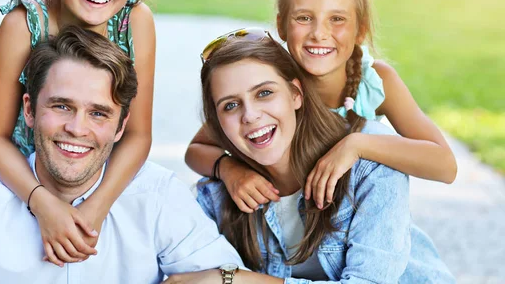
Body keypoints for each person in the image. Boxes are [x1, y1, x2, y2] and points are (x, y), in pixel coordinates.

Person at [0, 27, 244, 283]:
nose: (77, 128)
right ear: (29, 110)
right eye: (62, 106)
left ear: (121, 126)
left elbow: (221, 274)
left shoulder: (156, 197)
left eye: (98, 113)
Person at [165, 33, 454, 283]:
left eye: (264, 93)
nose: (250, 115)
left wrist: (238, 280)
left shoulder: (370, 163)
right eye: (230, 105)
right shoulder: (219, 194)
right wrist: (226, 168)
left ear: (295, 94)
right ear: (217, 122)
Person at [185, 0, 457, 213]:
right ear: (281, 26)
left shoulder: (374, 81)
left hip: (356, 217)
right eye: (304, 18)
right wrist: (230, 170)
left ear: (360, 30)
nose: (319, 33)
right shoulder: (272, 87)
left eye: (337, 19)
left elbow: (444, 166)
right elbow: (196, 150)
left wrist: (357, 145)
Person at [0, 0, 156, 266]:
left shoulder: (135, 21)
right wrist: (43, 204)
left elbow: (138, 134)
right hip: (26, 179)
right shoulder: (22, 25)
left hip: (98, 180)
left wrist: (95, 208)